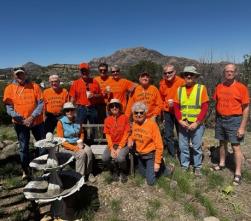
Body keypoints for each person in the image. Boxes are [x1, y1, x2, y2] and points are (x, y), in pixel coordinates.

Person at [3, 67, 45, 179]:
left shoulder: (35, 86)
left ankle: (43, 167)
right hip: (20, 123)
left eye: (22, 74)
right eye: (17, 75)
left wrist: (31, 117)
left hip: (37, 121)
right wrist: (22, 120)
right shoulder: (9, 88)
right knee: (23, 147)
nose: (20, 76)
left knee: (42, 145)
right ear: (14, 75)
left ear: (25, 74)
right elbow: (9, 108)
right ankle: (25, 170)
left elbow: (41, 104)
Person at [213, 63, 250, 185]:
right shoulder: (219, 86)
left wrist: (242, 127)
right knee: (222, 143)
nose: (229, 73)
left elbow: (245, 108)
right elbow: (217, 102)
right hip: (220, 119)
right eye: (227, 71)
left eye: (231, 71)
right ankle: (222, 164)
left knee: (235, 146)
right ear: (224, 73)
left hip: (235, 120)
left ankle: (238, 173)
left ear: (235, 73)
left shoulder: (241, 88)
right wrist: (216, 118)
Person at [173, 66, 209, 176]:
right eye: (186, 74)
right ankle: (185, 165)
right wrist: (179, 120)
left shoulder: (201, 88)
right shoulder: (180, 89)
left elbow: (205, 107)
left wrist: (197, 122)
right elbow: (176, 106)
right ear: (184, 76)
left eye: (191, 74)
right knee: (183, 146)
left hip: (196, 124)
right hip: (183, 123)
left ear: (195, 77)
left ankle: (197, 167)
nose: (189, 76)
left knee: (196, 146)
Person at [128, 102, 174, 185]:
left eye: (141, 112)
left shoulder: (152, 125)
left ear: (145, 113)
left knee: (150, 182)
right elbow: (132, 135)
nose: (138, 115)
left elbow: (159, 145)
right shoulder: (135, 124)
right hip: (140, 155)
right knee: (142, 174)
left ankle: (165, 169)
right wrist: (130, 140)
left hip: (150, 155)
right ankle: (160, 167)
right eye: (136, 112)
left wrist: (157, 163)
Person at [56, 102, 95, 182]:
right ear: (64, 112)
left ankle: (89, 173)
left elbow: (81, 133)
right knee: (81, 154)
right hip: (66, 146)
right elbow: (61, 141)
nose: (70, 112)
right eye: (67, 110)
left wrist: (80, 141)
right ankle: (79, 177)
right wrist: (75, 148)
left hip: (78, 143)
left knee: (88, 151)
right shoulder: (60, 122)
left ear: (74, 111)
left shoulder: (78, 120)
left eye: (72, 110)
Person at [159, 64, 185, 157]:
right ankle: (172, 153)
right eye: (165, 73)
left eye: (170, 72)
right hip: (167, 112)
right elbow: (161, 98)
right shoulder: (162, 83)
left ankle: (182, 152)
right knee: (168, 134)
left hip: (179, 111)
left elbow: (186, 97)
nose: (167, 75)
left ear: (174, 72)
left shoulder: (182, 82)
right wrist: (163, 110)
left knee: (181, 133)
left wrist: (176, 103)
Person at [102, 99, 130, 183]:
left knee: (120, 158)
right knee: (105, 158)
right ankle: (113, 170)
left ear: (120, 107)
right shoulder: (107, 120)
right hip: (112, 144)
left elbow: (126, 134)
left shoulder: (125, 118)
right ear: (109, 108)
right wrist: (111, 148)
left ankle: (123, 171)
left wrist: (119, 147)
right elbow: (108, 135)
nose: (114, 107)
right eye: (112, 106)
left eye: (116, 105)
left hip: (123, 144)